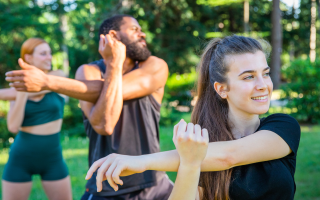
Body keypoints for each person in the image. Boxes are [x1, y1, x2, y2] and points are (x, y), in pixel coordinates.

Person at [85, 35, 301, 200]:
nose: (263, 85)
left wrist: (142, 161)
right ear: (222, 89)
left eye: (265, 73)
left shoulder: (283, 127)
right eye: (249, 76)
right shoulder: (196, 148)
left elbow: (229, 156)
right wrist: (188, 163)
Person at [6, 15, 173, 199]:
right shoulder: (88, 71)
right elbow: (104, 125)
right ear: (113, 36)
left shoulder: (155, 66)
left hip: (155, 185)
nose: (143, 35)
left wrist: (47, 82)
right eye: (135, 29)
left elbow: (117, 89)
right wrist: (114, 65)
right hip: (105, 187)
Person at [2, 38, 72, 200]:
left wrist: (18, 90)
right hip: (21, 158)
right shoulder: (18, 88)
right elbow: (13, 127)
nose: (49, 57)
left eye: (49, 53)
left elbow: (41, 87)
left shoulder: (58, 77)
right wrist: (21, 92)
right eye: (43, 53)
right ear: (29, 58)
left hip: (53, 158)